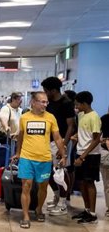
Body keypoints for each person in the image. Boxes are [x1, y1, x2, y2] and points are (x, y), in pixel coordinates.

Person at [11, 91, 66, 229]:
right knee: (26, 186)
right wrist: (18, 153)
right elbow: (21, 136)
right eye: (42, 101)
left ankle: (39, 209)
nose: (45, 104)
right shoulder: (24, 117)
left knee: (42, 187)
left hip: (44, 158)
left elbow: (57, 137)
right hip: (27, 157)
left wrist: (63, 155)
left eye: (46, 102)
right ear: (33, 102)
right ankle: (25, 216)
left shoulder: (50, 117)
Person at [42, 77, 76, 216]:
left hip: (60, 141)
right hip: (47, 142)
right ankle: (56, 197)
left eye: (46, 91)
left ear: (53, 90)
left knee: (60, 173)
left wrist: (63, 145)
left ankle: (63, 203)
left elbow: (71, 126)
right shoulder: (49, 104)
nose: (45, 93)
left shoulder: (66, 103)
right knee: (48, 172)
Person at [72, 91, 102, 224]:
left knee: (89, 182)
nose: (76, 106)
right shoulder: (81, 115)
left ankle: (93, 214)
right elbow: (83, 133)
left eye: (78, 104)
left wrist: (83, 156)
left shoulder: (94, 116)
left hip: (91, 156)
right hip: (80, 153)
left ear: (84, 103)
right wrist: (75, 137)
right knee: (81, 183)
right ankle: (87, 209)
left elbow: (96, 139)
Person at [100, 105, 109, 218]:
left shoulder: (104, 118)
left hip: (105, 152)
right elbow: (98, 136)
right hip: (106, 153)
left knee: (107, 184)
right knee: (107, 183)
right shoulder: (104, 119)